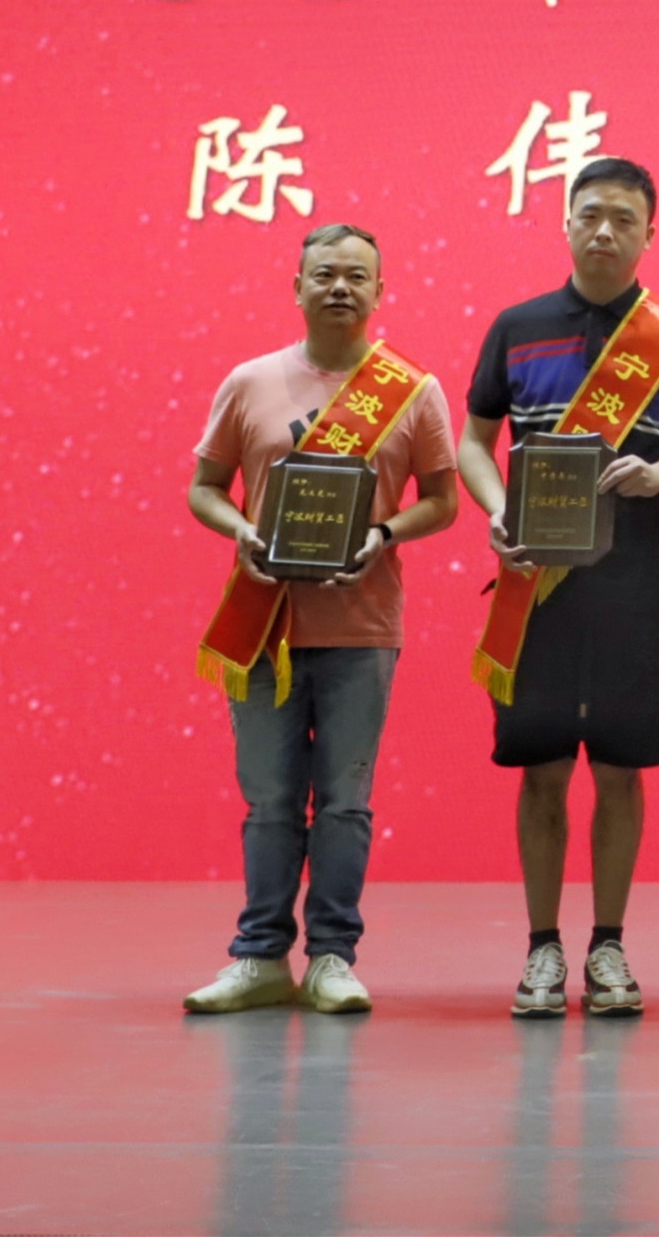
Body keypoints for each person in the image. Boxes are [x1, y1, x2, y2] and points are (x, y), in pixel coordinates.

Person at [182, 223, 459, 1015]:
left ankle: (333, 956)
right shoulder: (250, 381)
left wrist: (384, 535)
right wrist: (242, 532)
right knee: (270, 799)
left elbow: (442, 500)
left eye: (357, 276)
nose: (341, 287)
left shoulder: (414, 390)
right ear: (297, 287)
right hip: (264, 623)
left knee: (344, 800)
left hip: (361, 626)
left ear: (381, 291)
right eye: (326, 274)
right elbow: (204, 487)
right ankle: (260, 955)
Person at [455, 158, 659, 1020]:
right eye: (590, 214)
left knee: (622, 769)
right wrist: (496, 508)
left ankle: (607, 944)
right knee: (541, 770)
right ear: (566, 223)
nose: (605, 230)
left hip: (635, 587)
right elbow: (474, 441)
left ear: (649, 234)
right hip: (538, 587)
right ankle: (541, 946)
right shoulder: (517, 326)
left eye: (623, 218)